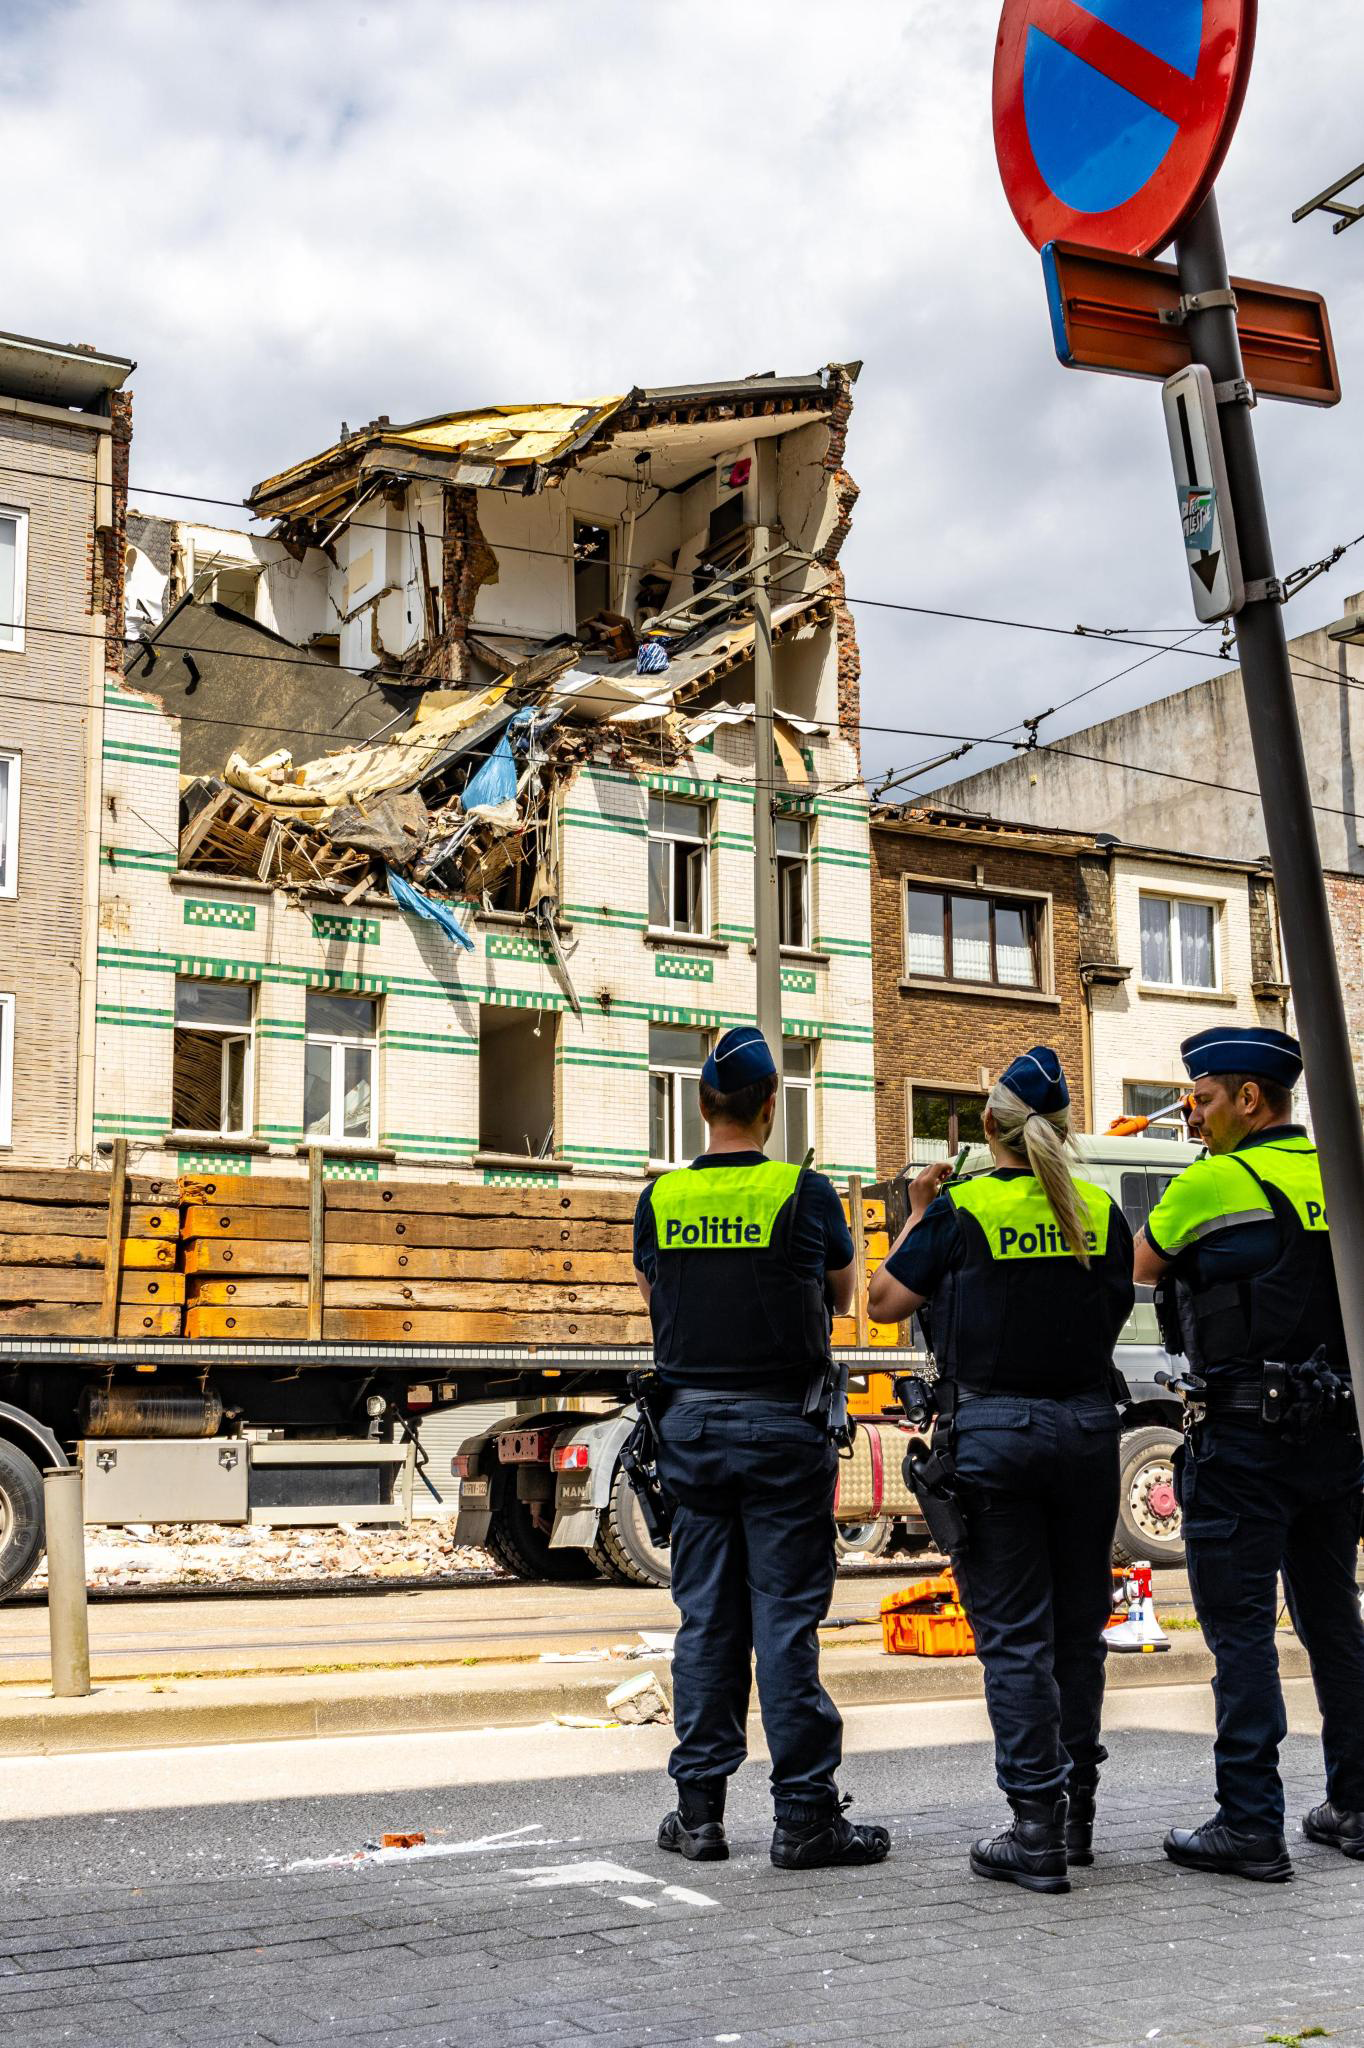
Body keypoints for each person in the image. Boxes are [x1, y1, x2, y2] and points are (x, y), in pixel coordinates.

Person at [868, 1046, 1134, 1893]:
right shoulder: (1100, 1207)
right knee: (1074, 1635)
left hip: (994, 1436)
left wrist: (916, 1210)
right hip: (1091, 1431)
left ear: (990, 1129)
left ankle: (1036, 1831)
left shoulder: (960, 1210)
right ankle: (1078, 1817)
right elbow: (1118, 1305)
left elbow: (881, 1302)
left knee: (1015, 1638)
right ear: (1058, 1127)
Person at [632, 1025, 890, 1871]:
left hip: (693, 1433)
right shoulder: (803, 1192)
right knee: (785, 1623)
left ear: (704, 1108)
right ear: (770, 1106)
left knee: (706, 1621)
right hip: (783, 1430)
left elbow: (657, 1300)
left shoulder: (660, 1198)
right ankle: (805, 1817)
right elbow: (847, 1294)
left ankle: (699, 1814)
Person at [1133, 1026, 1364, 1882]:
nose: (1189, 1112)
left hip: (1240, 1439)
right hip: (1335, 1438)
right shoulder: (1340, 1175)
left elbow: (1143, 1266)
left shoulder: (1216, 1182)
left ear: (1249, 1100)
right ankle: (1357, 1804)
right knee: (1334, 1621)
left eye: (1199, 1097)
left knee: (1241, 1637)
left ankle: (1249, 1824)